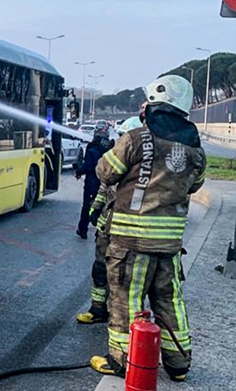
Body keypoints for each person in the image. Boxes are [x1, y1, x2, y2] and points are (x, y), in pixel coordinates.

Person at [90, 76, 206, 382]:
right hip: (169, 246)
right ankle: (179, 364)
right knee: (170, 301)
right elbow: (194, 184)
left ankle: (122, 361)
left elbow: (106, 172)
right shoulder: (196, 149)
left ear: (154, 103)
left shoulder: (136, 139)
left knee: (126, 300)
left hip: (132, 243)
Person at [76, 116, 144, 325]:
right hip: (106, 228)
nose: (121, 140)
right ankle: (97, 309)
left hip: (127, 233)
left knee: (122, 277)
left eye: (124, 137)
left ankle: (121, 317)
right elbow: (104, 186)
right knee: (99, 270)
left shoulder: (143, 172)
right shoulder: (117, 161)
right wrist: (95, 209)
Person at [74, 126, 111, 239]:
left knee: (88, 206)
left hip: (92, 183)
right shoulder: (110, 147)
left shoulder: (92, 147)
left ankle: (83, 229)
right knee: (102, 207)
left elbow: (88, 166)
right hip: (105, 182)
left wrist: (79, 170)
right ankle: (99, 232)